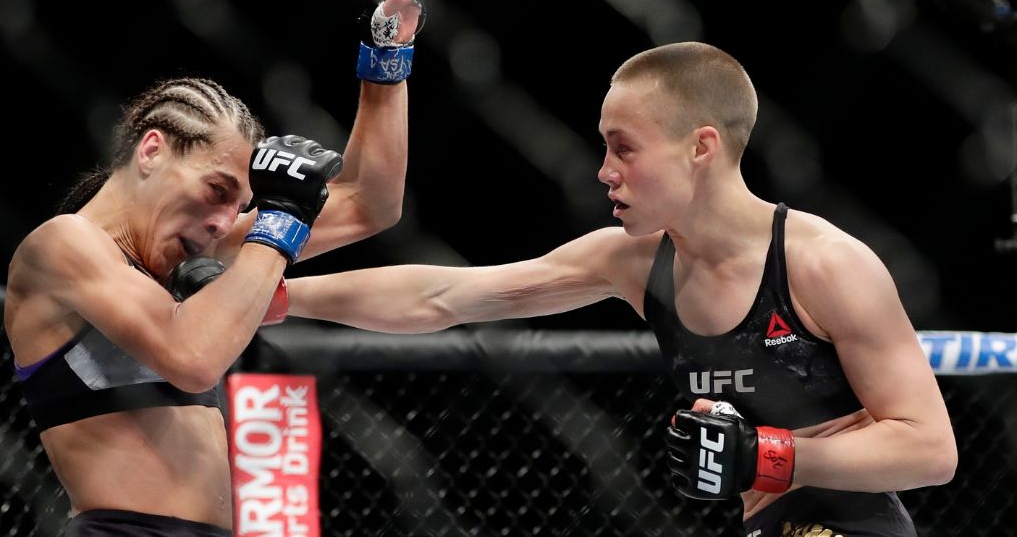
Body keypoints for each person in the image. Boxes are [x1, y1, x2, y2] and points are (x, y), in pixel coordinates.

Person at [278, 42, 957, 536]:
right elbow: (446, 296)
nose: (604, 171)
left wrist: (771, 456)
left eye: (623, 148)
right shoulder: (633, 260)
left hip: (850, 524)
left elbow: (929, 449)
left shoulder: (826, 264)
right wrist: (279, 298)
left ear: (701, 147)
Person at [3, 0, 440, 536]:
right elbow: (191, 358)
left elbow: (370, 202)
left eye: (240, 207)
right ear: (152, 151)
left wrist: (386, 50)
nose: (221, 222)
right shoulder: (63, 246)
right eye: (217, 189)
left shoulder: (191, 251)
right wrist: (279, 218)